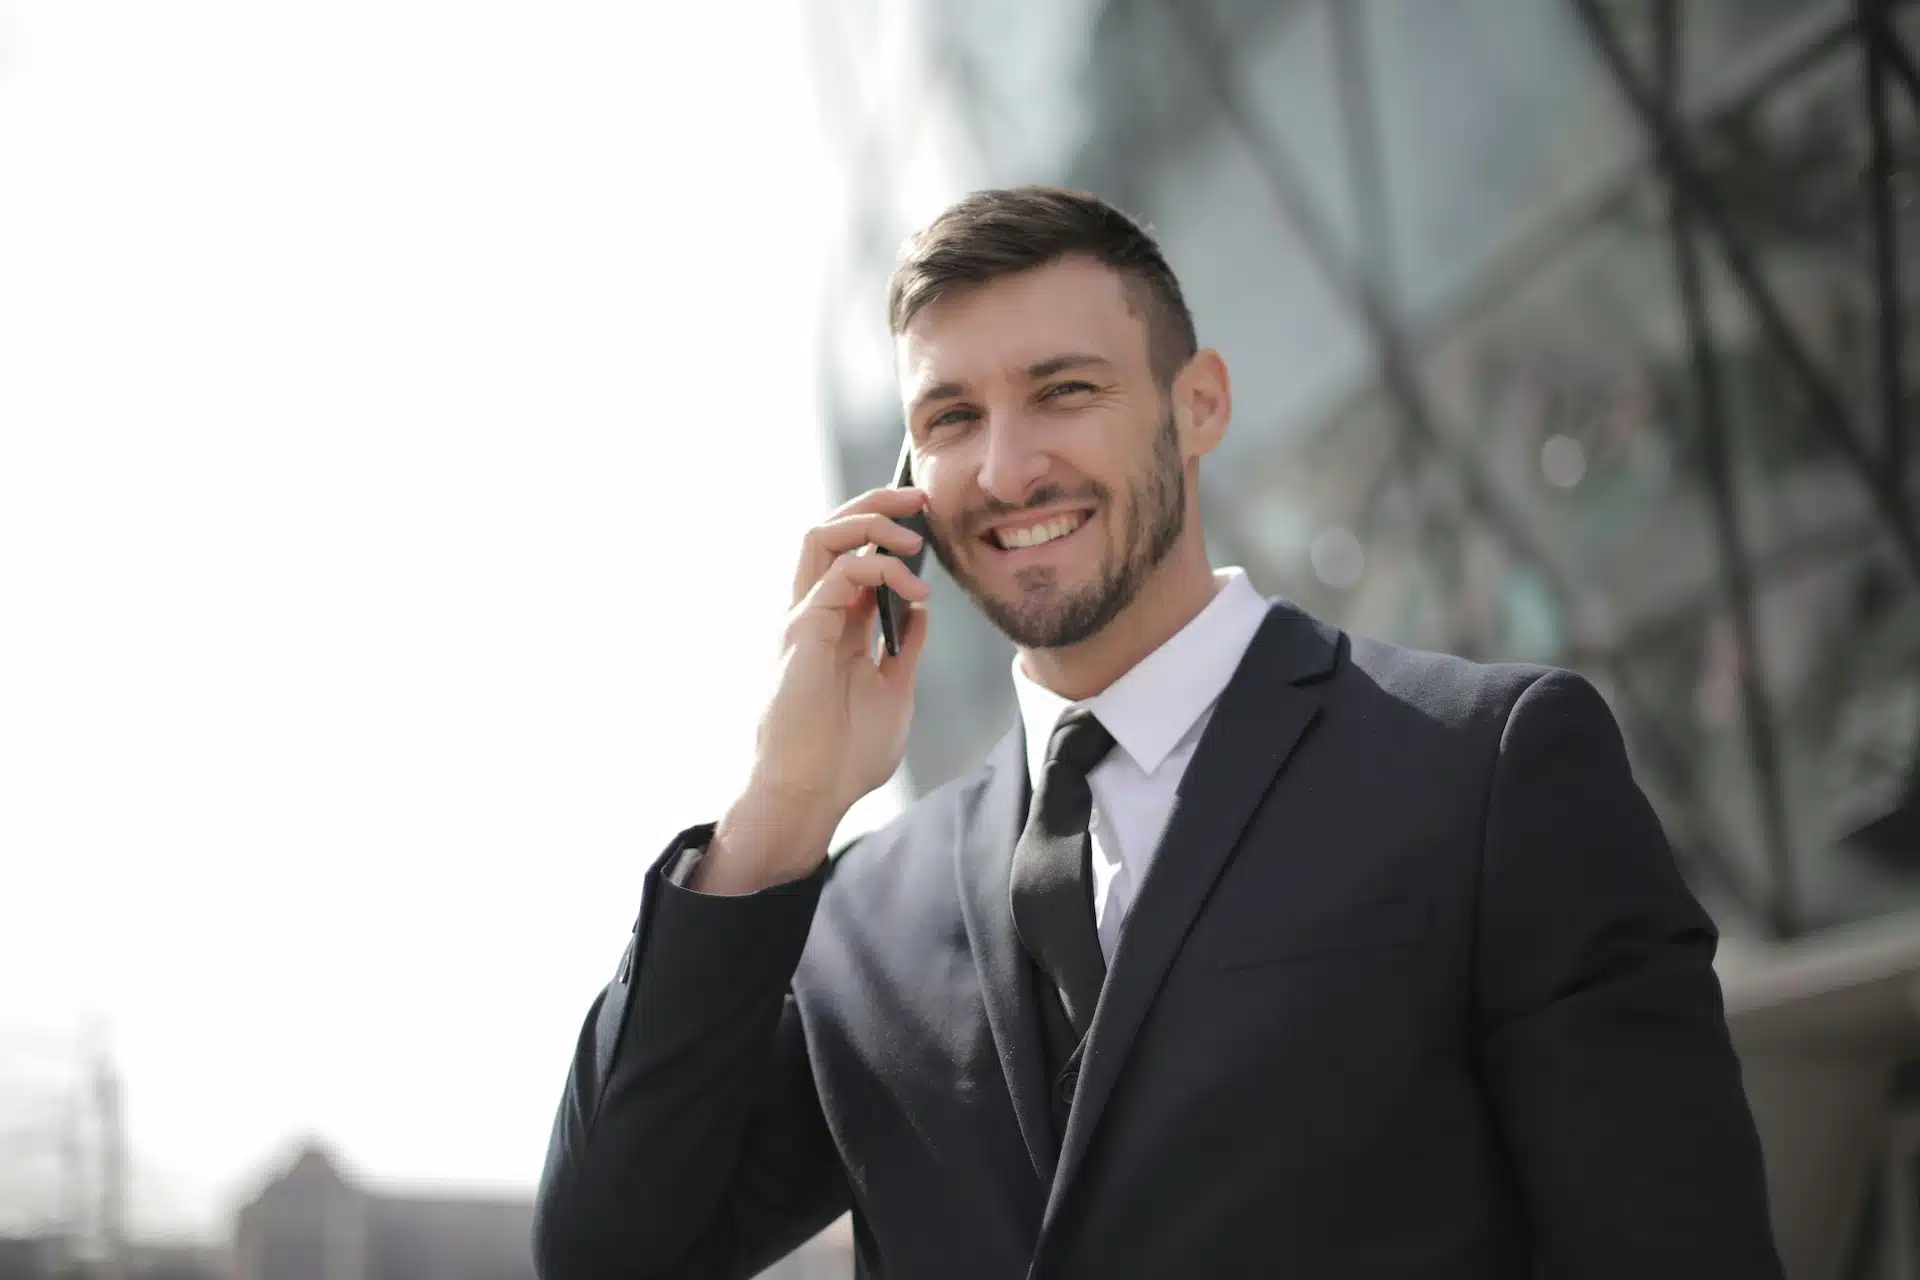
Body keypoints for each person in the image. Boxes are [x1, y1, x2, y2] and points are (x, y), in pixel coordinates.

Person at [532, 187, 1782, 1279]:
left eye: (1063, 391)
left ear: (1200, 405)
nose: (1010, 468)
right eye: (954, 417)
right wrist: (779, 811)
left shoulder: (1490, 771)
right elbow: (611, 1251)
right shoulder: (860, 911)